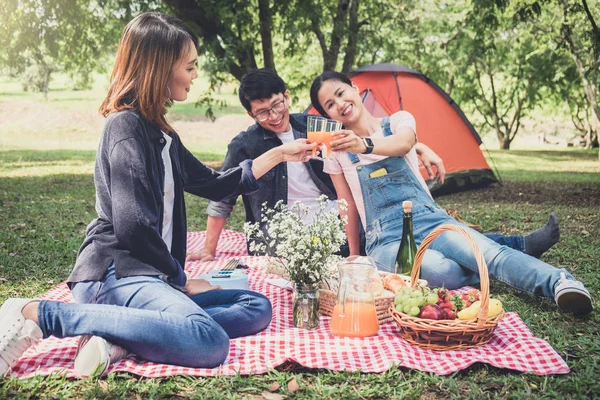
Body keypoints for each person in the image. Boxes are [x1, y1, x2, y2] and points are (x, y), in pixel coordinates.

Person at [0, 12, 318, 377]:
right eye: (190, 66)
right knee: (208, 340)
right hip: (117, 272)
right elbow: (132, 225)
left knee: (256, 306)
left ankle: (122, 335)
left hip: (154, 276)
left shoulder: (164, 136)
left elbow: (217, 184)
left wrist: (280, 152)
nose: (196, 75)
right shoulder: (124, 127)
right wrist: (180, 279)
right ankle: (37, 313)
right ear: (161, 68)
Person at [187, 68, 558, 262]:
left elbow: (364, 139)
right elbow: (224, 198)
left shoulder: (315, 125)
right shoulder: (245, 144)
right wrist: (208, 247)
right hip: (282, 230)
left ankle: (507, 247)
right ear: (251, 113)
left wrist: (420, 147)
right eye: (262, 112)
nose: (273, 115)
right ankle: (508, 249)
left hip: (334, 216)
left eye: (277, 104)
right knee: (395, 241)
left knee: (396, 228)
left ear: (286, 96)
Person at [309, 70, 592, 316]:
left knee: (489, 254)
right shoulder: (335, 151)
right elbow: (347, 204)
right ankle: (500, 253)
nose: (340, 105)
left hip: (430, 220)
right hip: (385, 238)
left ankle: (560, 283)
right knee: (439, 271)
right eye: (330, 105)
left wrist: (365, 145)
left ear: (355, 90)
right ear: (327, 115)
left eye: (341, 93)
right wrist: (356, 257)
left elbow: (404, 142)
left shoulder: (397, 121)